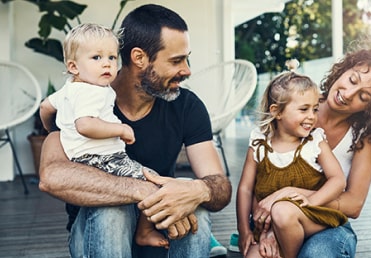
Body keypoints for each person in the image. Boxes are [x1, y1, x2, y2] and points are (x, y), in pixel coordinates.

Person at [38, 4, 232, 258]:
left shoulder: (187, 105)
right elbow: (51, 176)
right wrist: (141, 189)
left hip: (157, 233)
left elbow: (219, 185)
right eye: (176, 60)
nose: (187, 70)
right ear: (139, 58)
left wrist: (199, 190)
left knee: (191, 200)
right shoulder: (79, 98)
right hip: (97, 237)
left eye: (187, 58)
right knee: (114, 209)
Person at [250, 47, 371, 258]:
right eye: (352, 80)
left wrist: (290, 195)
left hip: (328, 225)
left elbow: (354, 204)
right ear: (343, 70)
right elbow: (254, 178)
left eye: (363, 96)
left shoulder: (363, 137)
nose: (348, 94)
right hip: (274, 217)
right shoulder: (295, 103)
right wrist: (265, 230)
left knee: (317, 254)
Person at [39, 22, 170, 249]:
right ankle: (144, 231)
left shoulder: (69, 88)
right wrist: (121, 129)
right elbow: (85, 125)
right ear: (73, 66)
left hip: (83, 160)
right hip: (103, 159)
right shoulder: (93, 92)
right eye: (97, 58)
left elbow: (45, 108)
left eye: (111, 57)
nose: (107, 64)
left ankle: (143, 230)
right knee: (154, 181)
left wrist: (54, 131)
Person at [236, 71, 348, 258]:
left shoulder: (314, 142)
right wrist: (244, 229)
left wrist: (311, 202)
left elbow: (338, 180)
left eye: (314, 109)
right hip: (269, 225)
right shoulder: (259, 143)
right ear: (277, 112)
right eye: (304, 109)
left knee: (282, 210)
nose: (312, 116)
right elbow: (246, 189)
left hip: (312, 217)